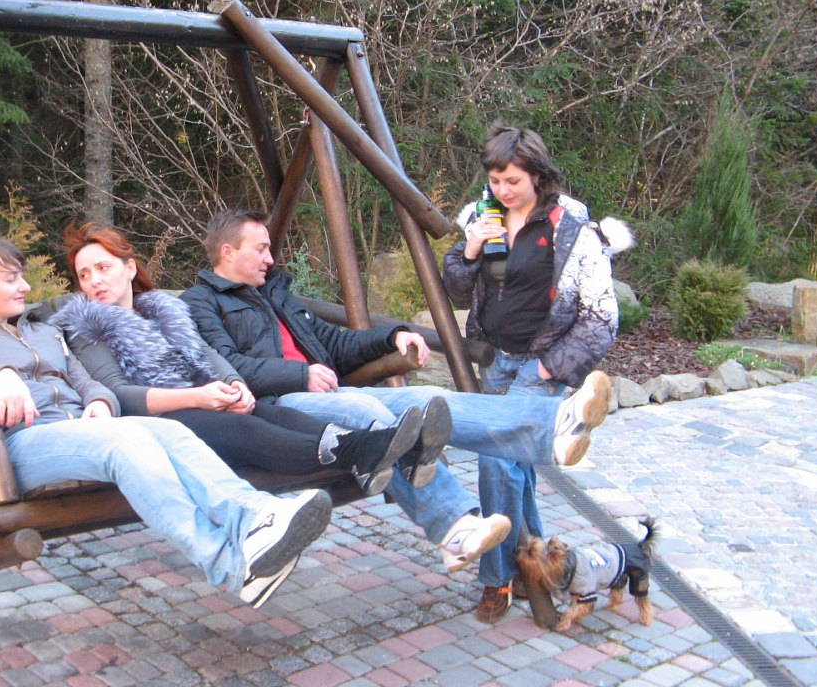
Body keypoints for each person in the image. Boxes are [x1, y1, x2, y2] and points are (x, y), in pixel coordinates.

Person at [181, 209, 614, 613]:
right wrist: (299, 375)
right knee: (363, 407)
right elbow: (226, 366)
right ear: (228, 252)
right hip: (278, 409)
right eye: (261, 249)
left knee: (425, 399)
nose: (270, 258)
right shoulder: (200, 302)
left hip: (329, 393)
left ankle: (552, 427)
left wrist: (392, 336)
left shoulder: (275, 294)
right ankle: (454, 526)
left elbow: (333, 343)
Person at [0, 235, 332, 609]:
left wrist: (100, 402)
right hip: (25, 443)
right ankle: (227, 564)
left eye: (22, 276)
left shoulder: (42, 332)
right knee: (125, 444)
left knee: (169, 430)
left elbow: (86, 382)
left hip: (82, 433)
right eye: (11, 279)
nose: (26, 286)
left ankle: (255, 516)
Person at [43, 223, 427, 496]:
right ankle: (360, 451)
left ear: (129, 268)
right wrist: (199, 397)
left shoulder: (163, 311)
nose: (94, 281)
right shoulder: (85, 327)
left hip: (204, 402)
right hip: (156, 421)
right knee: (243, 427)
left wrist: (236, 385)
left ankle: (373, 449)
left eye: (103, 268)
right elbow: (120, 393)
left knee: (267, 412)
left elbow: (207, 353)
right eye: (84, 275)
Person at [443, 122, 631, 621]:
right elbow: (457, 291)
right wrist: (470, 249)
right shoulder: (484, 216)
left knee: (494, 460)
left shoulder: (571, 229)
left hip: (540, 364)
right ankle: (537, 562)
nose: (503, 190)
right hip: (496, 358)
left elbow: (601, 317)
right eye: (495, 180)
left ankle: (496, 579)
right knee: (517, 466)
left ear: (537, 176)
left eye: (513, 181)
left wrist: (551, 367)